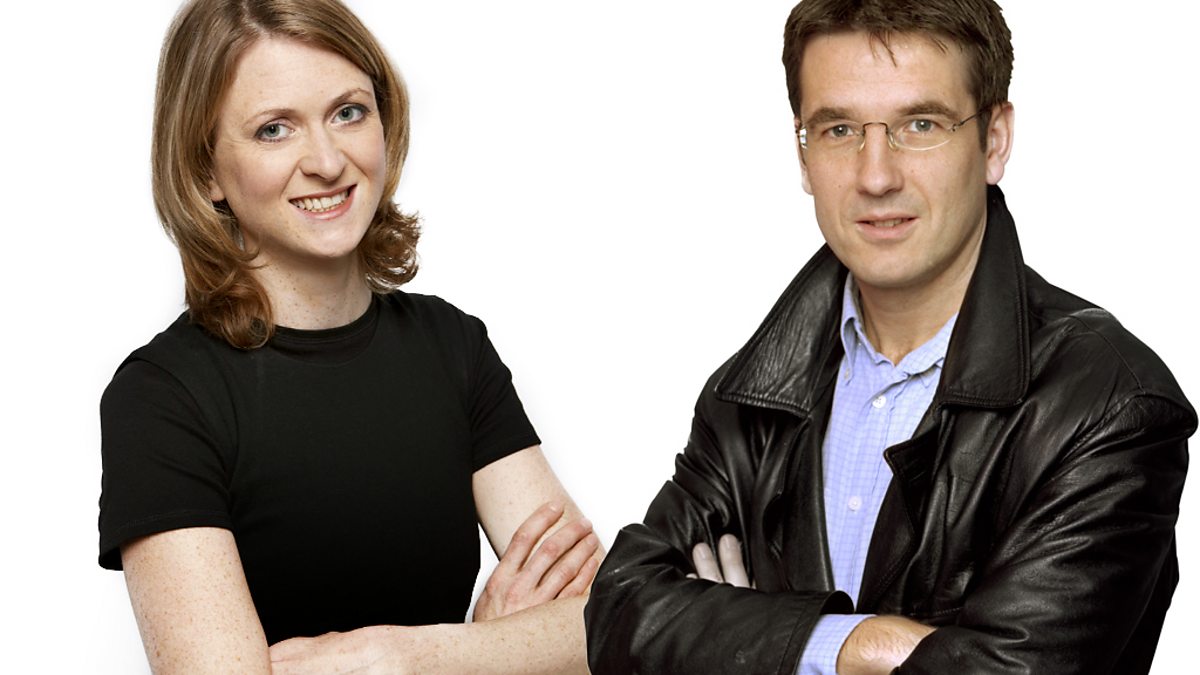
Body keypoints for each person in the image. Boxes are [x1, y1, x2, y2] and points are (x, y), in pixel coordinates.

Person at [584, 1, 1195, 673]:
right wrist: (862, 644)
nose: (876, 176)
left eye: (920, 124)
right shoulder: (752, 394)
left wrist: (745, 638)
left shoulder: (1107, 404)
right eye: (839, 129)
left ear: (994, 141)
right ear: (803, 152)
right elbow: (621, 609)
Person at [97, 1, 601, 672]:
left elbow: (608, 624)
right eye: (274, 129)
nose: (328, 161)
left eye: (348, 112)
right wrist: (502, 652)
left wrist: (410, 657)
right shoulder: (163, 398)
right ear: (205, 170)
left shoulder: (453, 347)